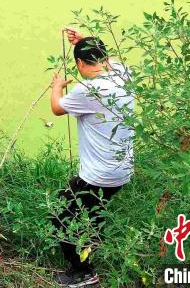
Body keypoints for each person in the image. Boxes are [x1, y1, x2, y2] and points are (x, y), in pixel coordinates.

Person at [49, 28, 134, 287]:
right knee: (93, 211)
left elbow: (56, 108)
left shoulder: (89, 90)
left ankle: (83, 273)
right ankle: (91, 248)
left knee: (60, 216)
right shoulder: (123, 73)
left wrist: (56, 87)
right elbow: (106, 60)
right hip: (122, 170)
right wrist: (84, 41)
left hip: (98, 174)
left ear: (79, 64)